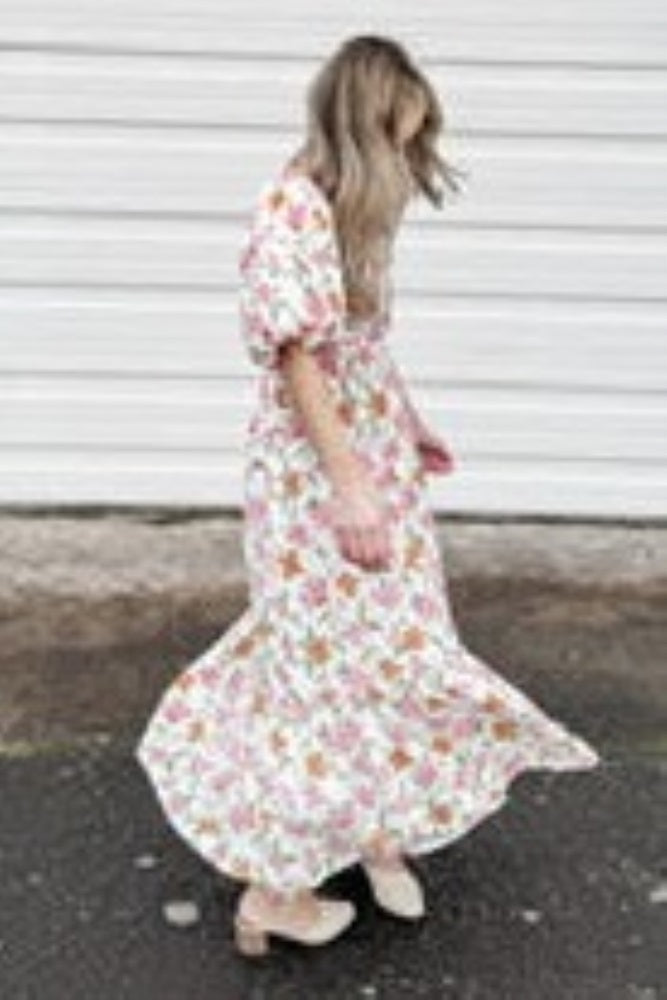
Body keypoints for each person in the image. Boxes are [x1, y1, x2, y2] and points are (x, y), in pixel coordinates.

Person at [136, 34, 600, 957]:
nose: (407, 157)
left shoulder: (345, 213)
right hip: (319, 474)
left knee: (394, 643)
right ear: (361, 126)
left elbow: (359, 345)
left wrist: (407, 423)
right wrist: (350, 486)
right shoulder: (293, 209)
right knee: (319, 666)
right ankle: (274, 891)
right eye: (399, 136)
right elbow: (298, 358)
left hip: (371, 451)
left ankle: (371, 827)